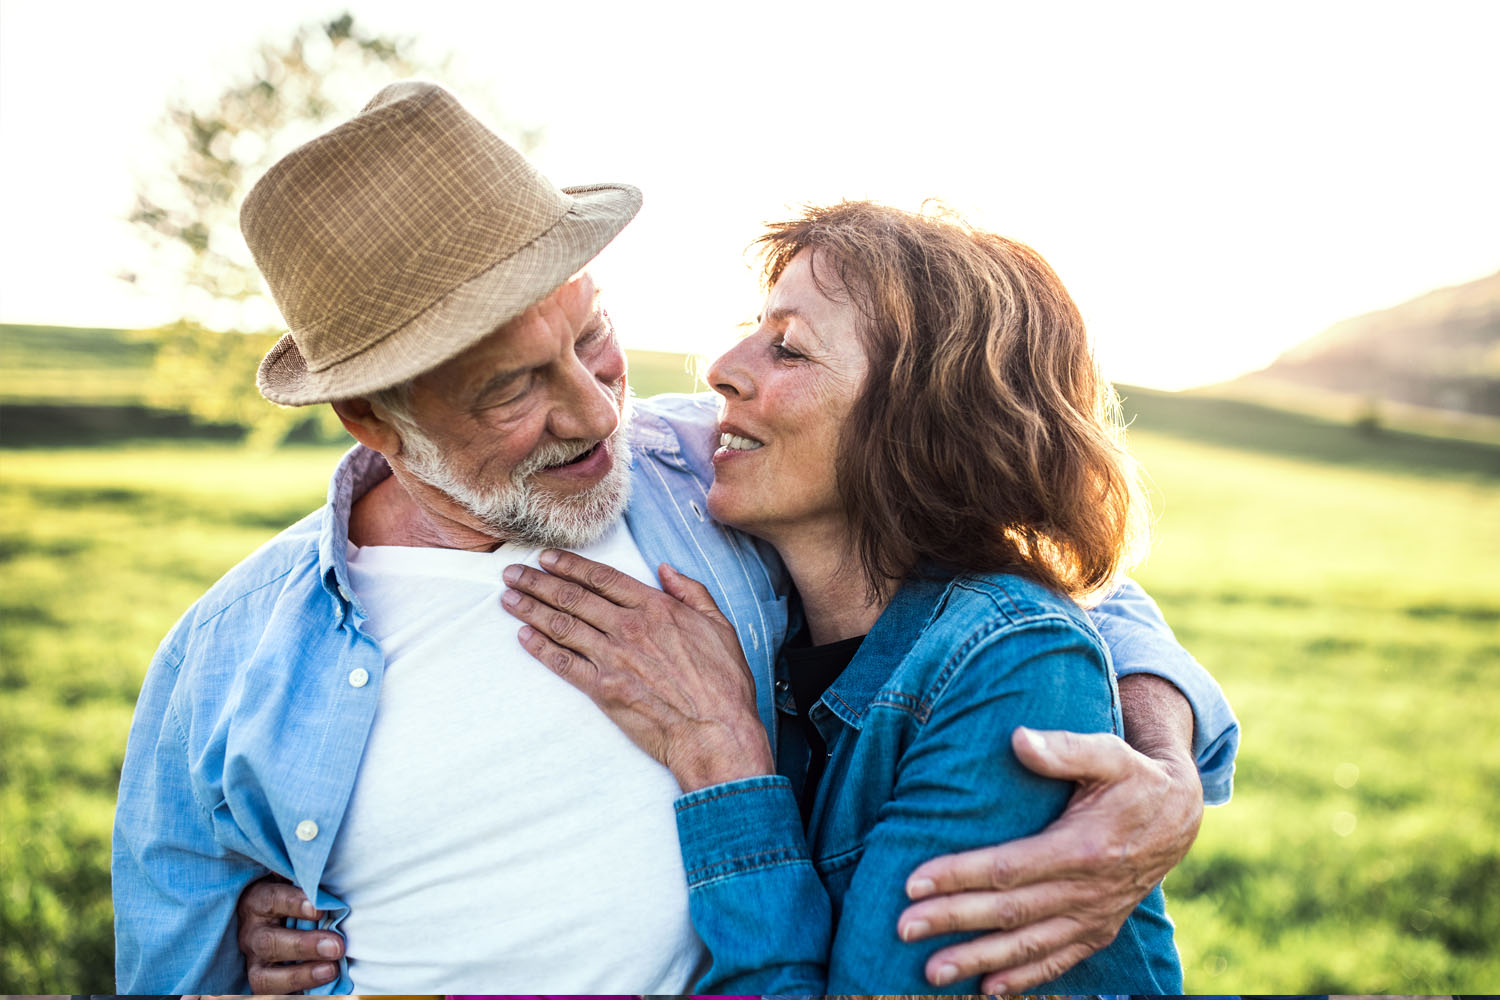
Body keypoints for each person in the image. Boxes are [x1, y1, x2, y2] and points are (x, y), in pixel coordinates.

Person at [112, 81, 1236, 995]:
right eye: (514, 389)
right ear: (375, 418)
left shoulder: (710, 466)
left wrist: (1156, 757)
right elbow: (173, 964)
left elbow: (1017, 565)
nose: (598, 411)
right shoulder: (230, 656)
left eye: (593, 335)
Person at [495, 202, 1186, 991]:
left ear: (925, 422)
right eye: (753, 329)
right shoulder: (779, 628)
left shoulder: (1007, 663)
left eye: (788, 348)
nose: (721, 367)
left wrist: (723, 760)